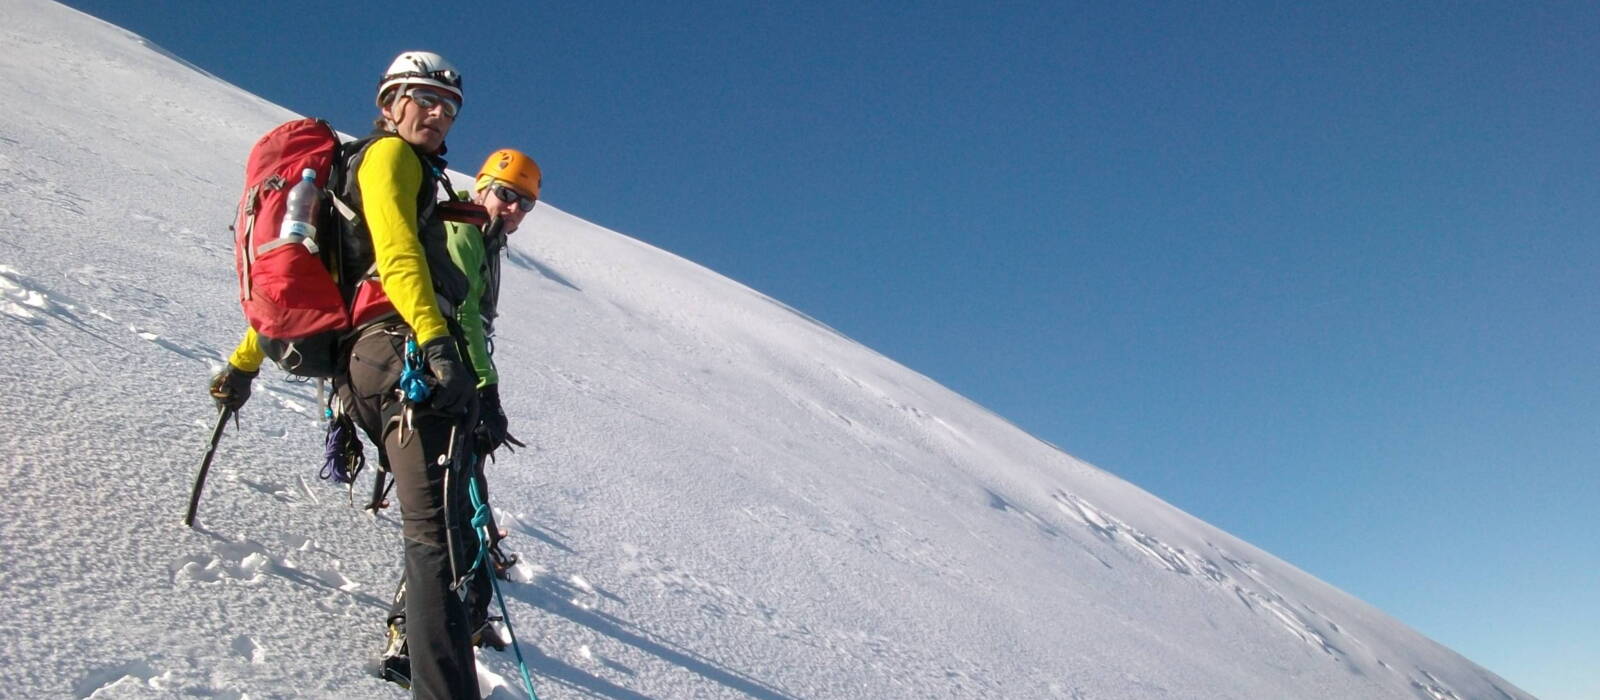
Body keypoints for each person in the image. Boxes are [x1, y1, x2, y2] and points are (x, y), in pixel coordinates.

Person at [210, 50, 486, 699]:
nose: (439, 114)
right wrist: (437, 338)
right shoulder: (392, 159)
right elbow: (395, 253)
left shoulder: (341, 183)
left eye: (449, 106)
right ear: (389, 103)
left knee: (435, 539)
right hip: (401, 356)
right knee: (437, 543)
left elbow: (312, 282)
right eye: (423, 98)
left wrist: (244, 364)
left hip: (363, 373)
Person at [450, 148, 541, 577]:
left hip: (459, 356)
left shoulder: (488, 238)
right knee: (462, 452)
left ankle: (478, 533)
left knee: (471, 451)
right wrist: (487, 387)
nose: (514, 208)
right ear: (482, 185)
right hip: (442, 357)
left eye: (525, 203)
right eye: (506, 194)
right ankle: (468, 549)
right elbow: (464, 310)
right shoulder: (464, 229)